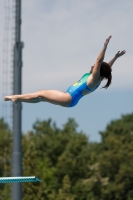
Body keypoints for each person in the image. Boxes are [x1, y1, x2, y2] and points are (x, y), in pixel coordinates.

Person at [4, 36, 126, 107]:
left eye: (95, 66)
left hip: (68, 98)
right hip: (68, 96)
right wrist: (115, 58)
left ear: (98, 70)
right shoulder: (99, 77)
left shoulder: (94, 79)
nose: (92, 66)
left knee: (41, 93)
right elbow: (107, 67)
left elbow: (100, 61)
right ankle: (18, 99)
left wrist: (105, 46)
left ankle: (16, 97)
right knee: (41, 98)